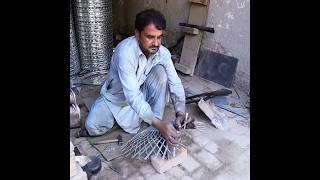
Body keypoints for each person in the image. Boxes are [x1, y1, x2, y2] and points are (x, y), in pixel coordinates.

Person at [81, 8, 186, 146]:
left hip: (140, 94)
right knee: (92, 126)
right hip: (117, 99)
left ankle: (155, 121)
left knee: (161, 74)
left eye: (159, 37)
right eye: (150, 37)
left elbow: (175, 83)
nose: (156, 43)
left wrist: (180, 112)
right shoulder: (125, 53)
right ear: (137, 34)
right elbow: (132, 95)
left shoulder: (163, 53)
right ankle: (154, 123)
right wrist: (160, 125)